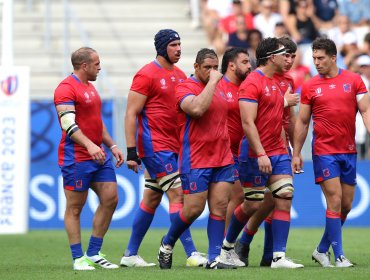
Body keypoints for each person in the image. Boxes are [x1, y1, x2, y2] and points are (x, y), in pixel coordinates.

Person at [121, 29, 207, 268]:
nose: (179, 49)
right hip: (155, 146)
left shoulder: (181, 75)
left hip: (176, 146)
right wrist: (131, 152)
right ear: (161, 47)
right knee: (178, 195)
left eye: (180, 44)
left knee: (151, 198)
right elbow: (131, 113)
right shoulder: (146, 74)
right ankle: (190, 253)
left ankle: (129, 255)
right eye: (173, 45)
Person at [220, 37, 304, 269]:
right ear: (271, 56)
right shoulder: (252, 82)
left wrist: (295, 151)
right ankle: (227, 247)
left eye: (292, 55)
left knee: (285, 197)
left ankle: (278, 257)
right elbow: (248, 123)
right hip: (255, 152)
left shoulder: (287, 81)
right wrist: (260, 153)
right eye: (284, 55)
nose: (289, 59)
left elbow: (290, 120)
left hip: (279, 150)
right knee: (253, 204)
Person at [293, 38, 370, 268]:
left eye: (321, 58)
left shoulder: (354, 80)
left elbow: (365, 111)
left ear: (333, 57)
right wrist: (296, 152)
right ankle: (339, 257)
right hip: (324, 151)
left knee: (346, 206)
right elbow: (303, 122)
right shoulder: (310, 86)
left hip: (348, 151)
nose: (316, 62)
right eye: (314, 58)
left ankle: (321, 249)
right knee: (334, 201)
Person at [157, 48, 236, 270]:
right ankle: (167, 242)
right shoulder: (184, 87)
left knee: (220, 208)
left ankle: (214, 258)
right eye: (207, 68)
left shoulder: (221, 89)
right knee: (193, 209)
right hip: (197, 158)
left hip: (222, 156)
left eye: (215, 68)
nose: (212, 72)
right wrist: (212, 82)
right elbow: (197, 109)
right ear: (196, 67)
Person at [54, 47, 124, 270]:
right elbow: (68, 124)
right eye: (97, 63)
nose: (100, 67)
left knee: (111, 198)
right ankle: (78, 258)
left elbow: (97, 123)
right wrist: (90, 145)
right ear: (84, 66)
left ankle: (93, 253)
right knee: (75, 208)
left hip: (98, 155)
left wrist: (111, 145)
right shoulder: (65, 88)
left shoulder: (91, 88)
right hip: (76, 158)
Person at [218, 47, 252, 232]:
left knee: (256, 200)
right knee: (237, 196)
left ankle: (231, 244)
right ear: (231, 65)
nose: (249, 66)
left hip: (245, 152)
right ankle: (224, 245)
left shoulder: (248, 87)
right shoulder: (218, 86)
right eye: (245, 62)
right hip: (225, 153)